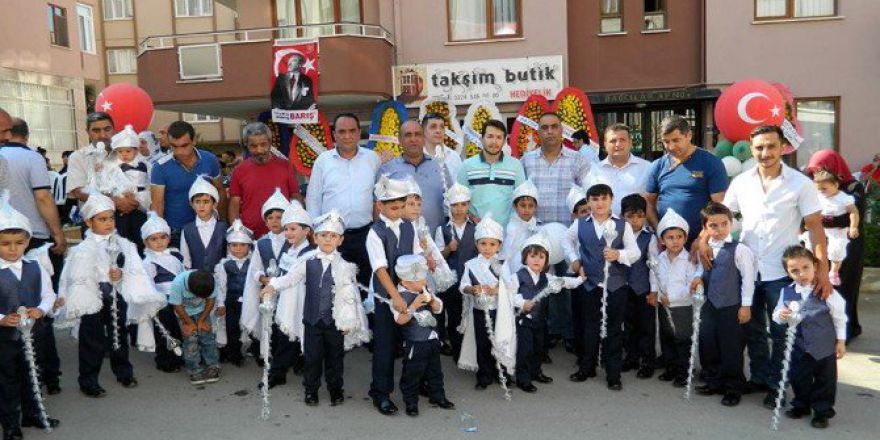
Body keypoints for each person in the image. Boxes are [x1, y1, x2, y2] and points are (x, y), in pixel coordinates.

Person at [718, 125, 830, 408]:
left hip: (782, 272)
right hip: (746, 270)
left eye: (771, 146)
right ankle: (759, 377)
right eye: (759, 147)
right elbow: (722, 216)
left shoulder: (799, 183)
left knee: (782, 332)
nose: (765, 153)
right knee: (751, 329)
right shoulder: (742, 181)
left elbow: (815, 227)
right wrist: (704, 240)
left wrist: (823, 270)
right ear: (751, 148)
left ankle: (778, 386)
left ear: (782, 147)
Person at [56, 193, 164, 398]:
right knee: (92, 339)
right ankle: (88, 379)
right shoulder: (81, 249)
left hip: (116, 295)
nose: (108, 223)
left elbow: (134, 268)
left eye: (111, 218)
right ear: (89, 221)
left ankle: (123, 371)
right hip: (92, 298)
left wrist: (120, 274)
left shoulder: (124, 244)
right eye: (102, 219)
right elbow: (71, 276)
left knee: (118, 333)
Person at [265, 211, 369, 407]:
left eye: (333, 236)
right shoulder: (307, 262)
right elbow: (291, 278)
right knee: (312, 359)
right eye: (323, 235)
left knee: (335, 359)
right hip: (312, 321)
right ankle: (311, 390)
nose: (328, 239)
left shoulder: (346, 267)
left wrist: (349, 320)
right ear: (315, 237)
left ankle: (335, 389)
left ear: (340, 240)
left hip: (335, 322)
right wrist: (272, 285)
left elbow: (351, 297)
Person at [565, 184, 640, 390]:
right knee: (589, 327)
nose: (599, 203)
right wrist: (574, 260)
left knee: (614, 329)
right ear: (588, 201)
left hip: (616, 285)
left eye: (604, 199)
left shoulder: (622, 225)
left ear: (611, 200)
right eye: (595, 199)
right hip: (590, 284)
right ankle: (586, 366)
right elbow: (566, 241)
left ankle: (613, 374)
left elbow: (634, 253)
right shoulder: (580, 224)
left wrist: (619, 255)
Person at [0, 194, 62, 438]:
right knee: (7, 380)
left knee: (32, 373)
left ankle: (32, 413)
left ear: (27, 242)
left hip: (34, 333)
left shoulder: (36, 267)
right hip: (4, 339)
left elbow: (48, 294)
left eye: (19, 242)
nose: (13, 249)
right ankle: (10, 424)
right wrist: (2, 317)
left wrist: (41, 309)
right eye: (5, 244)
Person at [773, 246, 847, 429]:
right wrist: (781, 315)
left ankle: (822, 411)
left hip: (823, 346)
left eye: (805, 267)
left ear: (815, 266)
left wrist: (841, 341)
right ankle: (802, 404)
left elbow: (839, 317)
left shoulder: (826, 291)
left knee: (825, 379)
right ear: (788, 273)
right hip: (799, 346)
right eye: (794, 271)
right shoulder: (787, 292)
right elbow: (776, 315)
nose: (801, 274)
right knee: (799, 377)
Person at [367, 174, 423, 416]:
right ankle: (381, 392)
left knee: (415, 341)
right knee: (386, 345)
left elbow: (417, 259)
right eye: (394, 207)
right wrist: (395, 297)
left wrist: (418, 291)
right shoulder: (375, 233)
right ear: (380, 205)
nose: (399, 211)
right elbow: (380, 268)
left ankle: (414, 387)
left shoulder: (408, 226)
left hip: (410, 293)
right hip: (386, 296)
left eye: (402, 206)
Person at [306, 113, 381, 287]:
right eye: (342, 131)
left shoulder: (372, 159)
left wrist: (379, 229)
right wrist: (315, 232)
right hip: (331, 237)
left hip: (366, 235)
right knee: (335, 286)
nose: (347, 136)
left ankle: (366, 315)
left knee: (367, 284)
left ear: (358, 133)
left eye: (352, 131)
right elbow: (313, 199)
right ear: (334, 135)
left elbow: (379, 197)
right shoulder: (323, 161)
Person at [506, 233, 584, 393]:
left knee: (538, 348)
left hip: (540, 321)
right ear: (525, 257)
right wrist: (522, 302)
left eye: (541, 257)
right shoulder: (517, 277)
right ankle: (523, 378)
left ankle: (536, 372)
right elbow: (509, 296)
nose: (537, 260)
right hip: (523, 321)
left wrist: (580, 279)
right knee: (525, 350)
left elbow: (564, 282)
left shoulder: (547, 278)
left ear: (546, 261)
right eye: (533, 256)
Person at [694, 202, 755, 406]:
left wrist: (746, 305)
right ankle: (714, 380)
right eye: (713, 225)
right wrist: (697, 278)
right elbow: (701, 269)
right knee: (708, 342)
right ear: (705, 228)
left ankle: (733, 387)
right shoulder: (705, 248)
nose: (719, 230)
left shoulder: (740, 250)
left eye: (724, 224)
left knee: (731, 347)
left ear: (731, 224)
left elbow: (748, 279)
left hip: (731, 304)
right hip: (710, 303)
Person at [0, 112, 67, 285]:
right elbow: (43, 197)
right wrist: (58, 234)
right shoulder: (33, 158)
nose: (6, 136)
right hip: (32, 235)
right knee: (39, 290)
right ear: (27, 136)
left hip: (7, 237)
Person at [805, 150, 866, 341]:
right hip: (822, 243)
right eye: (815, 171)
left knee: (844, 289)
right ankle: (823, 331)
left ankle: (845, 332)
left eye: (822, 169)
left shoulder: (853, 188)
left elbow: (851, 218)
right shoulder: (814, 186)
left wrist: (820, 219)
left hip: (847, 246)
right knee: (820, 287)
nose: (817, 175)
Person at [644, 115, 728, 245]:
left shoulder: (710, 162)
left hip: (703, 243)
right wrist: (659, 232)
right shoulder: (658, 165)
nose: (670, 147)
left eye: (676, 140)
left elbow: (720, 207)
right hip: (668, 245)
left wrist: (702, 238)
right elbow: (649, 203)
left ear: (689, 135)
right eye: (666, 142)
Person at [392, 254, 455, 416]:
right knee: (412, 373)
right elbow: (400, 320)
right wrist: (413, 306)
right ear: (406, 282)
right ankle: (411, 402)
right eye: (420, 281)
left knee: (435, 371)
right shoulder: (398, 298)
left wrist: (432, 301)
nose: (424, 282)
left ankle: (438, 396)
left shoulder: (424, 289)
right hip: (415, 342)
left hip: (432, 339)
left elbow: (439, 308)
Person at [457, 213, 514, 390]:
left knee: (499, 341)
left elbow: (510, 286)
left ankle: (502, 372)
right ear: (477, 244)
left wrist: (496, 290)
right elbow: (463, 285)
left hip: (498, 310)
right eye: (483, 243)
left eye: (492, 244)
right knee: (482, 343)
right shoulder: (471, 265)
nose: (487, 248)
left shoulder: (502, 264)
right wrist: (471, 289)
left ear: (499, 245)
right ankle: (484, 374)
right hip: (480, 310)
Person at [150, 121, 224, 248]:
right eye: (174, 146)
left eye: (184, 146)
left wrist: (222, 223)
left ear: (194, 140)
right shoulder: (159, 167)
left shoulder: (210, 159)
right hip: (175, 232)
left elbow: (220, 191)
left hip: (208, 227)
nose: (179, 151)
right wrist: (160, 235)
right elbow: (157, 204)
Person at [650, 209, 701, 387]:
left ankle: (684, 372)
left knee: (682, 339)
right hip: (663, 305)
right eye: (670, 237)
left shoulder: (689, 260)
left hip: (682, 307)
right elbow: (654, 276)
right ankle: (670, 368)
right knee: (667, 337)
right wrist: (655, 293)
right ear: (663, 240)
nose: (675, 241)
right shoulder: (659, 258)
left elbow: (691, 286)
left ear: (685, 239)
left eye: (679, 237)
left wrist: (671, 298)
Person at [266, 200, 314, 386]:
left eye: (293, 229)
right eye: (286, 229)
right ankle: (278, 373)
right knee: (283, 335)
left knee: (302, 333)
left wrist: (272, 285)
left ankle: (303, 367)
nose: (288, 233)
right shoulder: (288, 249)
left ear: (306, 231)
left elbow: (293, 277)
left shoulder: (310, 252)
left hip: (301, 298)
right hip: (286, 298)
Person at [228, 122, 301, 238]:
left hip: (283, 234)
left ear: (270, 143)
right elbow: (234, 205)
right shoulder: (239, 171)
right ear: (246, 145)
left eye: (263, 144)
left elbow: (295, 197)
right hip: (250, 235)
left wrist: (298, 226)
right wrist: (237, 233)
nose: (259, 150)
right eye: (253, 146)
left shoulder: (286, 166)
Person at [379, 120, 448, 234]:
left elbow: (451, 201)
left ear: (424, 138)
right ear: (400, 140)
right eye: (408, 135)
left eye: (417, 134)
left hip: (437, 240)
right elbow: (379, 208)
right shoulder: (388, 169)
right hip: (400, 242)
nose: (413, 139)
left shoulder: (440, 166)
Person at [435, 183, 477, 359]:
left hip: (471, 280)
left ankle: (471, 349)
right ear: (449, 206)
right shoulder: (442, 229)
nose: (459, 209)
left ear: (468, 205)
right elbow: (438, 258)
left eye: (463, 204)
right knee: (453, 316)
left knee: (471, 316)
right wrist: (448, 249)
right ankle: (457, 350)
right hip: (452, 281)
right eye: (455, 205)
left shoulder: (475, 228)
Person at [457, 119, 526, 226]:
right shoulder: (467, 166)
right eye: (490, 136)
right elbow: (458, 197)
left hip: (507, 232)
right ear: (481, 139)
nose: (494, 142)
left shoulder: (515, 166)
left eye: (499, 137)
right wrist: (470, 217)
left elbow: (521, 199)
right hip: (477, 232)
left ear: (504, 141)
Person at [141, 212, 186, 373]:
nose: (159, 242)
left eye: (162, 237)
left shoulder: (175, 255)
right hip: (162, 301)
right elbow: (147, 283)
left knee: (178, 328)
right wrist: (154, 300)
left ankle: (180, 356)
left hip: (178, 298)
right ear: (146, 242)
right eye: (154, 239)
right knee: (165, 331)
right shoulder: (149, 261)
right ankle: (166, 360)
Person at [620, 194, 658, 377]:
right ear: (623, 216)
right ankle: (631, 357)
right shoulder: (618, 235)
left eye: (639, 216)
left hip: (643, 289)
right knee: (628, 325)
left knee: (646, 327)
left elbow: (653, 266)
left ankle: (647, 361)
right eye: (630, 216)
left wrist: (653, 291)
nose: (635, 221)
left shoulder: (649, 238)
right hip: (623, 287)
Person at [585, 124, 652, 216]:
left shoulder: (647, 168)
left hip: (636, 228)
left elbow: (653, 201)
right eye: (613, 141)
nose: (618, 144)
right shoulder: (594, 170)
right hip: (604, 228)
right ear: (605, 144)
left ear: (630, 142)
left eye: (622, 140)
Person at [103, 125, 150, 254]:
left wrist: (136, 199)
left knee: (139, 239)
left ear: (135, 151)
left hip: (139, 207)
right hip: (119, 208)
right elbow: (107, 184)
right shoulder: (111, 167)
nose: (124, 154)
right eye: (120, 151)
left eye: (128, 151)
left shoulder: (144, 165)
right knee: (121, 239)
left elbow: (148, 185)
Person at [212, 219, 253, 367]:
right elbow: (221, 286)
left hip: (248, 301)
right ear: (228, 247)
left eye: (242, 245)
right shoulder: (224, 265)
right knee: (231, 327)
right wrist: (221, 303)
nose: (238, 248)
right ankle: (233, 353)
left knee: (248, 325)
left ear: (249, 246)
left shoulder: (253, 263)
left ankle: (249, 350)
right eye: (234, 245)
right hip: (231, 301)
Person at [169, 269, 221, 386]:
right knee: (190, 341)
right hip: (184, 314)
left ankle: (213, 366)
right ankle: (194, 370)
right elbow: (177, 305)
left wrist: (202, 320)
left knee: (207, 338)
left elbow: (210, 300)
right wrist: (189, 323)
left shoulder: (209, 280)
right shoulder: (178, 284)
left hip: (203, 312)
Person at [811, 169, 858, 287]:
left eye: (824, 189)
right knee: (810, 245)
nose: (821, 191)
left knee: (837, 248)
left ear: (836, 185)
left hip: (838, 229)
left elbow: (854, 212)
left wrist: (853, 227)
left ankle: (834, 271)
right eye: (818, 189)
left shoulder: (844, 198)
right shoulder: (818, 196)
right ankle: (814, 270)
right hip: (821, 226)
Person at [180, 177, 227, 272]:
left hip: (220, 279)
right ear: (192, 204)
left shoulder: (224, 228)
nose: (201, 206)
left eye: (206, 202)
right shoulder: (187, 230)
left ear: (214, 204)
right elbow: (186, 261)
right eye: (197, 202)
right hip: (196, 281)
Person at [502, 179, 541, 275]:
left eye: (531, 206)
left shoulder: (538, 227)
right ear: (515, 207)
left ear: (535, 207)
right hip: (514, 270)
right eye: (523, 206)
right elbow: (506, 252)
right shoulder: (510, 227)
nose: (527, 210)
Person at [421, 112, 462, 184]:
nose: (438, 130)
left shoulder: (454, 157)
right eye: (433, 127)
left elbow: (461, 187)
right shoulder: (417, 158)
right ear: (423, 131)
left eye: (442, 127)